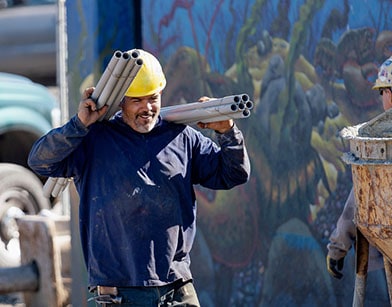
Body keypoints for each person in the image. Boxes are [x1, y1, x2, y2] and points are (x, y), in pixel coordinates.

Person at [28, 49, 251, 306]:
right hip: (119, 293)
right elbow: (40, 161)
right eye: (137, 100)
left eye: (153, 98)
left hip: (176, 287)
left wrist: (228, 132)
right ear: (120, 101)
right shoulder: (94, 139)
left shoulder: (182, 137)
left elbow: (234, 174)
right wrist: (79, 124)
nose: (147, 108)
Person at [326, 54, 392, 306]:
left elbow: (359, 199)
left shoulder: (382, 141)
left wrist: (337, 246)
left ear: (391, 95)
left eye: (383, 92)